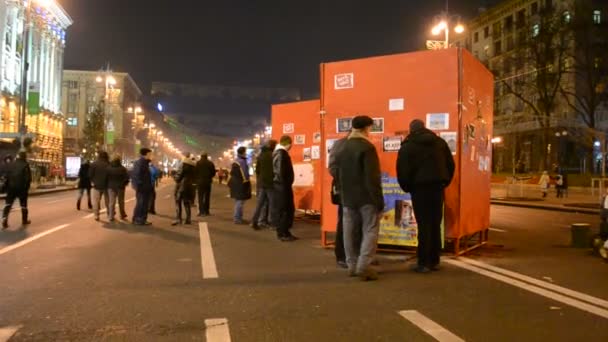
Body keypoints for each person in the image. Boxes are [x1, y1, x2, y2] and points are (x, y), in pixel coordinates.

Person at [397, 119, 455, 274]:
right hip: (437, 188)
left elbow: (402, 170)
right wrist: (444, 182)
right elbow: (450, 165)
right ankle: (435, 260)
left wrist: (407, 187)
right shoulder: (440, 143)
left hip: (419, 189)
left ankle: (423, 263)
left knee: (424, 225)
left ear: (411, 130)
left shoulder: (408, 146)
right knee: (436, 224)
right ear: (425, 128)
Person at [336, 116, 383, 280]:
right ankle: (364, 266)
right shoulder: (367, 147)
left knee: (348, 231)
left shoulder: (343, 146)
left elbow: (336, 171)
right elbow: (372, 177)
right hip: (366, 197)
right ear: (366, 128)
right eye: (370, 128)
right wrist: (379, 201)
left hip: (347, 197)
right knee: (370, 229)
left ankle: (352, 265)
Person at [328, 132, 351, 268]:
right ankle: (342, 255)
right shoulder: (342, 145)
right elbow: (333, 168)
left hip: (349, 189)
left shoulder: (339, 144)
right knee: (344, 223)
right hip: (345, 190)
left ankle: (347, 255)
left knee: (347, 223)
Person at [273, 135, 297, 241]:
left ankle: (285, 231)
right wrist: (285, 183)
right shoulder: (281, 154)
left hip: (281, 186)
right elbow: (280, 172)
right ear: (288, 143)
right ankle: (283, 233)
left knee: (285, 209)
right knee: (285, 209)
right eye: (291, 144)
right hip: (282, 187)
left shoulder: (277, 153)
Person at [251, 140, 277, 230]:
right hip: (270, 183)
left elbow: (257, 170)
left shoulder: (260, 155)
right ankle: (273, 223)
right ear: (273, 146)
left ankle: (254, 221)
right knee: (272, 204)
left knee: (260, 204)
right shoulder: (273, 155)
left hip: (262, 183)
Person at [1, 152, 31, 229]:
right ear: (24, 157)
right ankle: (24, 220)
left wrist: (6, 188)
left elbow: (7, 177)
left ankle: (4, 218)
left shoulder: (11, 164)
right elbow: (28, 179)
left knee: (8, 204)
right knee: (23, 205)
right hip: (21, 188)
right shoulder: (25, 165)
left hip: (11, 188)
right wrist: (26, 188)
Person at [228, 146, 252, 224]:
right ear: (243, 152)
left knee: (238, 201)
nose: (246, 153)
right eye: (245, 152)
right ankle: (237, 219)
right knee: (240, 202)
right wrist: (247, 182)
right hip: (240, 184)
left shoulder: (236, 161)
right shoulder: (242, 162)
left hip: (235, 183)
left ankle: (238, 217)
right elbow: (245, 175)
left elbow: (231, 173)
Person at [172, 155, 197, 225]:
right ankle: (188, 219)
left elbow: (178, 178)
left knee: (178, 202)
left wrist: (174, 175)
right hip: (190, 187)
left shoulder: (184, 166)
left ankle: (178, 219)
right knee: (186, 203)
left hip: (181, 187)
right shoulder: (194, 167)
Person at [132, 148, 154, 226]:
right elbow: (137, 175)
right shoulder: (140, 162)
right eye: (150, 154)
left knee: (144, 204)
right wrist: (139, 186)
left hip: (145, 187)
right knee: (141, 203)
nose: (152, 155)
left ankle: (142, 219)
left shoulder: (145, 162)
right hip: (142, 188)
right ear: (147, 154)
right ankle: (138, 219)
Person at [107, 156, 130, 222]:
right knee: (121, 202)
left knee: (111, 202)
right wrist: (124, 183)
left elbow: (106, 177)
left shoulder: (108, 168)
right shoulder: (122, 169)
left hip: (111, 187)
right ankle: (122, 215)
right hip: (120, 187)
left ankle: (111, 216)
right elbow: (126, 178)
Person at [89, 151, 110, 221]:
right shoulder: (109, 164)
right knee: (108, 201)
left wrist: (93, 181)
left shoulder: (94, 164)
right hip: (107, 185)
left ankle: (96, 215)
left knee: (96, 201)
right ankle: (109, 214)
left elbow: (90, 175)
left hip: (96, 185)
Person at [196, 153, 217, 217]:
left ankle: (201, 211)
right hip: (208, 182)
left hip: (200, 182)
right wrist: (210, 177)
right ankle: (207, 211)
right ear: (206, 156)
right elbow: (213, 172)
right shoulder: (210, 163)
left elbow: (195, 172)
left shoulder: (198, 163)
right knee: (207, 196)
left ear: (201, 156)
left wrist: (197, 178)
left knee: (200, 197)